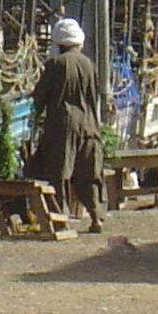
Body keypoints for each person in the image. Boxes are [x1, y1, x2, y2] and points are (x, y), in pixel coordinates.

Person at [27, 16, 108, 232]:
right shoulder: (89, 65)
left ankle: (60, 219)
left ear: (59, 44)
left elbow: (39, 98)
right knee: (90, 172)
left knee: (59, 172)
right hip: (89, 123)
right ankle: (96, 217)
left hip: (62, 125)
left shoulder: (55, 64)